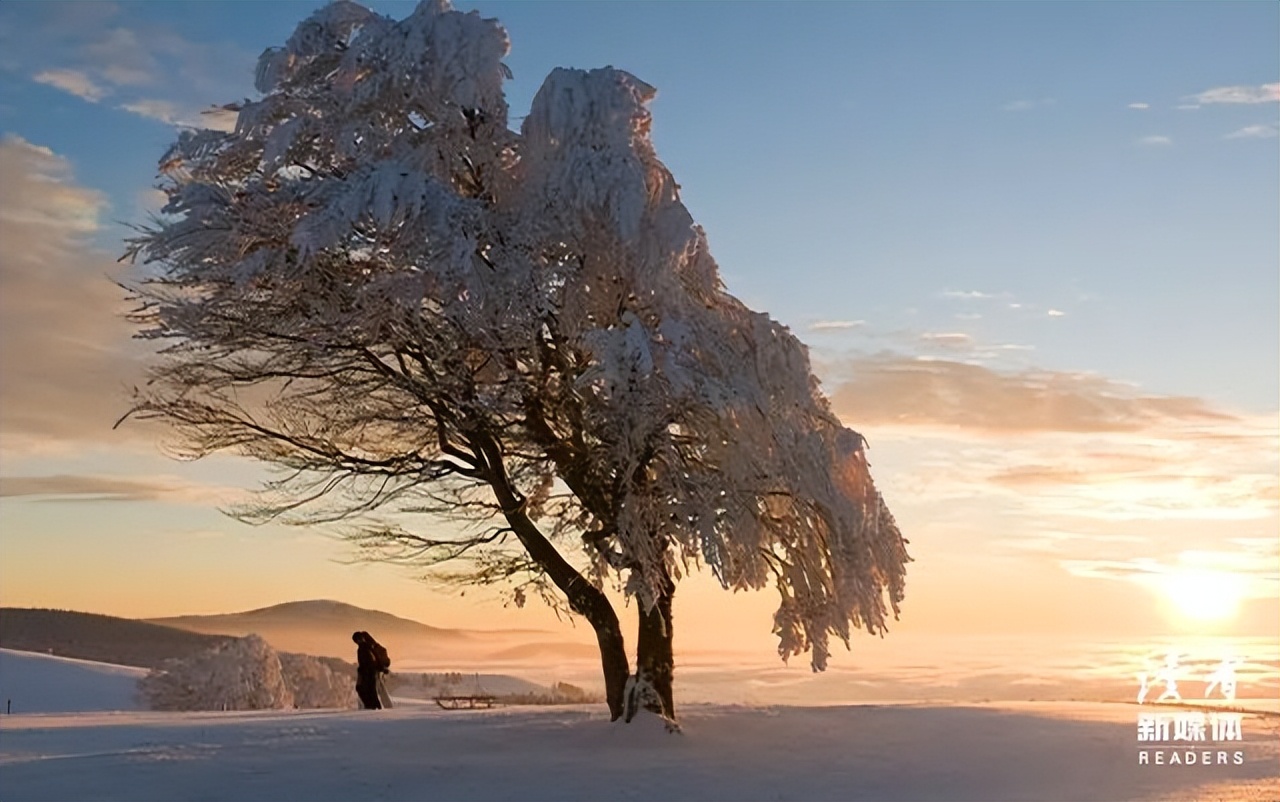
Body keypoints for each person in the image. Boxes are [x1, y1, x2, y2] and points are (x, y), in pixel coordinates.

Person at [353, 630, 391, 709]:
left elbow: (367, 662)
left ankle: (373, 708)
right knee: (375, 691)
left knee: (369, 691)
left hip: (370, 673)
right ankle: (382, 707)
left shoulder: (364, 649)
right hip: (375, 672)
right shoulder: (371, 647)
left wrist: (362, 671)